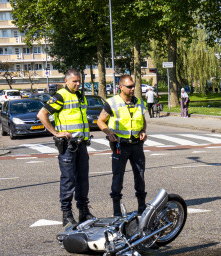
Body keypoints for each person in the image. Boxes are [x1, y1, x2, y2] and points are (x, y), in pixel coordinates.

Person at [37, 69, 93, 226]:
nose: (77, 84)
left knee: (83, 180)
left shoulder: (80, 95)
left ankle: (84, 211)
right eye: (74, 81)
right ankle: (67, 214)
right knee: (68, 180)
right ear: (66, 81)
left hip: (81, 144)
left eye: (79, 81)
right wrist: (56, 132)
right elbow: (42, 114)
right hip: (68, 145)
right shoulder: (60, 95)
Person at [97, 74, 148, 216]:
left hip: (137, 144)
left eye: (133, 86)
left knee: (140, 175)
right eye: (129, 86)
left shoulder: (139, 102)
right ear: (121, 87)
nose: (133, 89)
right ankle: (117, 210)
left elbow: (143, 120)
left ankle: (142, 207)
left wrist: (143, 131)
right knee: (118, 177)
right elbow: (100, 121)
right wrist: (109, 133)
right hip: (120, 145)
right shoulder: (112, 102)